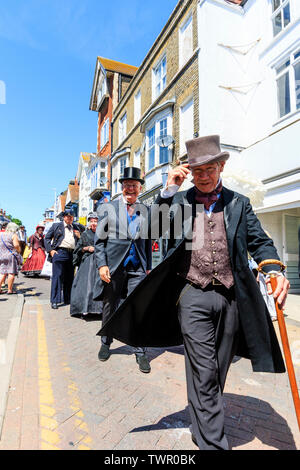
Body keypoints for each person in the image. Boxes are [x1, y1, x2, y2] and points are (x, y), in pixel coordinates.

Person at [98, 135, 290, 450]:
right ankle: (214, 443)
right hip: (192, 295)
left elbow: (260, 241)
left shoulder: (239, 203)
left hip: (231, 296)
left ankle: (201, 428)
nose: (202, 175)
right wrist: (169, 188)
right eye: (196, 170)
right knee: (204, 368)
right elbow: (152, 229)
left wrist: (273, 269)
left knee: (218, 367)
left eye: (209, 169)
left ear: (221, 167)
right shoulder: (179, 201)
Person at [94, 167, 152, 374]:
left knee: (138, 307)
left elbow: (147, 241)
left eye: (134, 186)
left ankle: (139, 349)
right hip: (114, 266)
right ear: (122, 187)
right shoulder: (108, 209)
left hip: (137, 267)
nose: (130, 188)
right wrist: (102, 264)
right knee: (110, 304)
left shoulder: (145, 210)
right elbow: (99, 241)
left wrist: (148, 268)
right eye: (127, 185)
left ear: (139, 188)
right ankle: (106, 342)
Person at [44, 209, 81, 309]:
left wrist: (79, 236)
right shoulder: (56, 226)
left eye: (72, 216)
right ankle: (55, 300)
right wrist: (51, 250)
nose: (70, 218)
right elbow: (47, 238)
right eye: (68, 216)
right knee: (57, 276)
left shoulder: (76, 227)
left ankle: (68, 298)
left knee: (69, 277)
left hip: (72, 254)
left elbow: (82, 240)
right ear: (64, 217)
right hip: (60, 252)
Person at [70, 212, 103, 319]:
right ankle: (86, 309)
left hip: (100, 261)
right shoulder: (85, 234)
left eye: (95, 221)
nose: (93, 223)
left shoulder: (103, 234)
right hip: (88, 262)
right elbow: (78, 249)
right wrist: (87, 248)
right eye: (91, 221)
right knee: (87, 285)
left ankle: (100, 310)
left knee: (100, 285)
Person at [0, 222, 22, 294]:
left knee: (2, 273)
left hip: (2, 255)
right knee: (11, 273)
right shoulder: (13, 235)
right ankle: (9, 290)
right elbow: (16, 245)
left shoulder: (1, 234)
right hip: (11, 256)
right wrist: (19, 251)